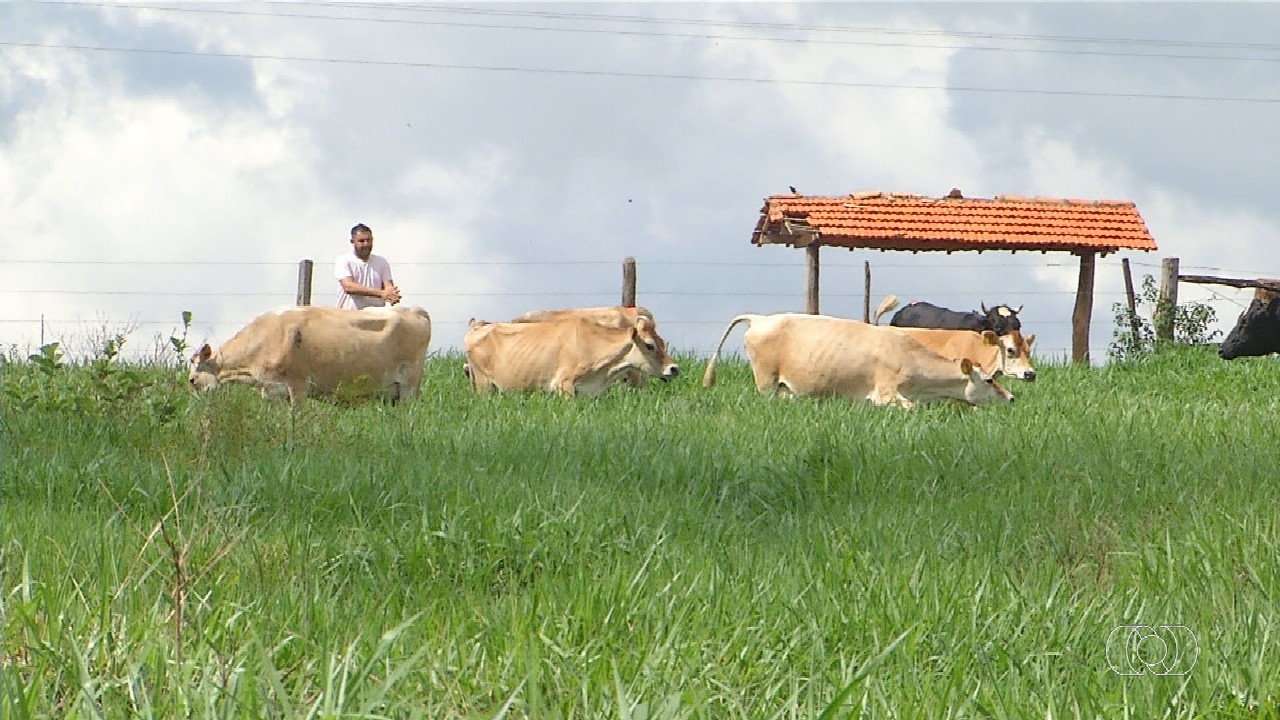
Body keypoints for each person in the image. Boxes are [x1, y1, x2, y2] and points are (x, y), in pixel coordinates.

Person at [335, 223, 401, 309]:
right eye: (361, 241)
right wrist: (381, 293)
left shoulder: (382, 262)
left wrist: (391, 294)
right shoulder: (344, 260)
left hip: (376, 318)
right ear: (352, 242)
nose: (366, 244)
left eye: (368, 240)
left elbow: (388, 285)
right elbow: (349, 286)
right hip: (349, 316)